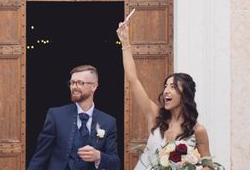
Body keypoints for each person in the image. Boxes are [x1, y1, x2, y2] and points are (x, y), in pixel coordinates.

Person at [116, 21, 214, 170]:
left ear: (185, 94)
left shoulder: (198, 131)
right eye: (166, 86)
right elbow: (133, 79)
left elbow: (209, 166)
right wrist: (125, 43)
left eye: (173, 87)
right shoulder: (155, 116)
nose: (166, 91)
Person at [27, 64, 120, 170]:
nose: (74, 87)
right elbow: (40, 157)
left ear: (94, 86)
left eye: (80, 83)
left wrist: (98, 156)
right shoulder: (55, 116)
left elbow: (115, 163)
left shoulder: (108, 121)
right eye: (72, 82)